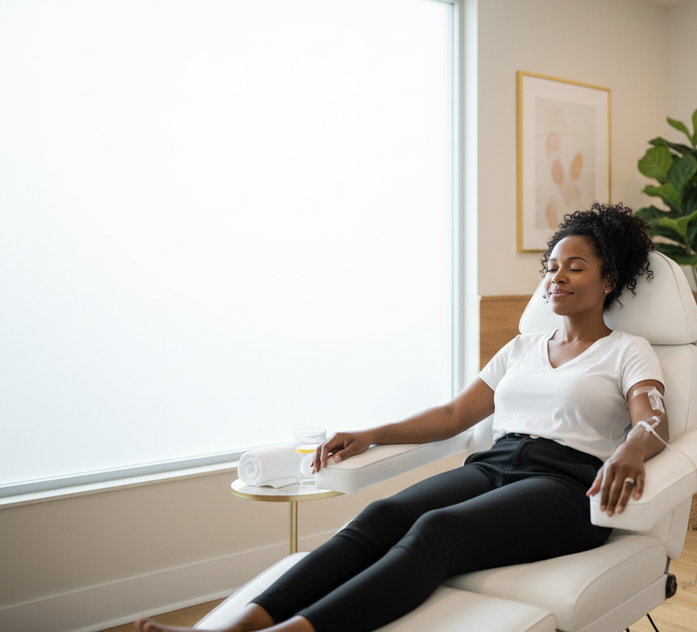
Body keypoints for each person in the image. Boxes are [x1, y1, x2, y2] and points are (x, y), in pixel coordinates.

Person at [136, 202, 669, 632]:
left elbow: (653, 421)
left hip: (565, 485)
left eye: (575, 267)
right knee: (382, 516)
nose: (557, 278)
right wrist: (371, 434)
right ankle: (239, 625)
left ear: (608, 280)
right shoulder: (522, 347)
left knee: (438, 530)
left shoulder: (627, 349)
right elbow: (456, 413)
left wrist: (631, 447)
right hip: (496, 465)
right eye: (551, 267)